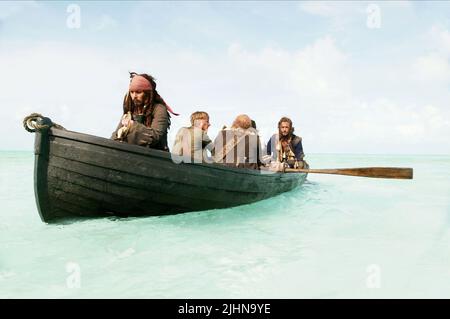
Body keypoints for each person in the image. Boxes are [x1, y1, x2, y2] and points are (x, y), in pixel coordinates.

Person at [111, 72, 178, 151]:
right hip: (132, 154)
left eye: (138, 92)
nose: (134, 96)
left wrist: (132, 126)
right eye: (132, 92)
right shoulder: (130, 112)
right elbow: (114, 138)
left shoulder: (159, 109)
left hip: (155, 156)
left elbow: (155, 137)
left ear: (147, 93)